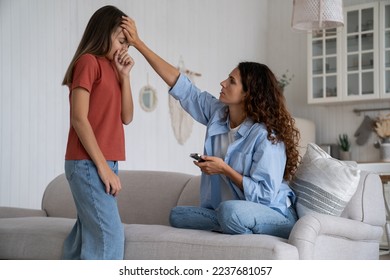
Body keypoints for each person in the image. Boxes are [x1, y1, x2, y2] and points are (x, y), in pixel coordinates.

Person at [121, 17, 300, 239]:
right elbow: (182, 87)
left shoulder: (266, 136)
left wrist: (225, 170)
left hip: (273, 214)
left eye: (231, 81)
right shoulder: (218, 114)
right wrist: (139, 44)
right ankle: (231, 224)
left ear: (248, 94)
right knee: (178, 216)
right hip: (230, 211)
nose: (223, 83)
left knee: (230, 211)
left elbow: (264, 196)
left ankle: (233, 222)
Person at [61, 6, 134, 259]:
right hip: (88, 163)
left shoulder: (114, 68)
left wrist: (125, 77)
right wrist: (102, 168)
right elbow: (79, 119)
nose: (124, 48)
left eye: (128, 44)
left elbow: (127, 117)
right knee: (110, 237)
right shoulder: (88, 62)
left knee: (87, 237)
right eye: (121, 40)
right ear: (104, 32)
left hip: (104, 163)